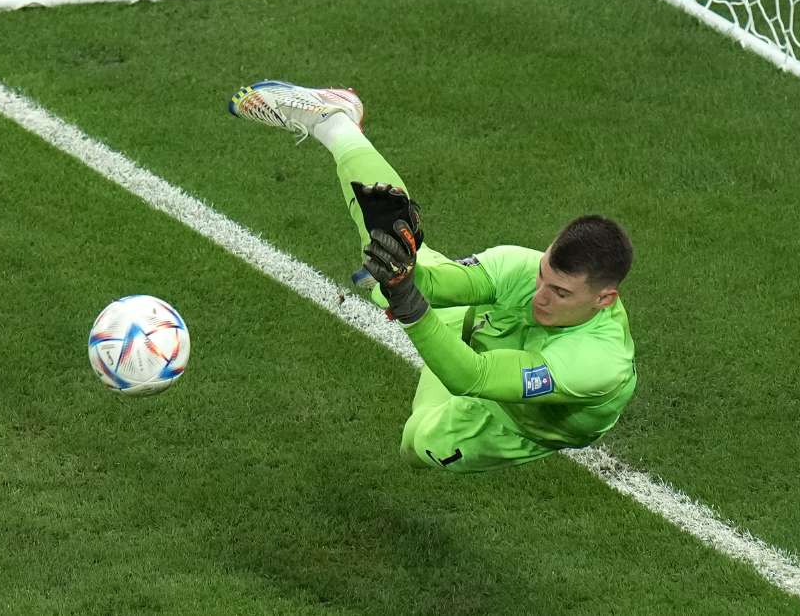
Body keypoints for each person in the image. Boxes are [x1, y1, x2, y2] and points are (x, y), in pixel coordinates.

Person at [229, 80, 637, 473]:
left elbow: (473, 376)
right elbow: (435, 285)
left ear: (604, 299)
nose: (540, 295)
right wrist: (405, 276)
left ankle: (426, 330)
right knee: (397, 254)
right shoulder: (521, 267)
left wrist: (409, 303)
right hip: (488, 331)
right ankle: (335, 123)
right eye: (543, 275)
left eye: (561, 293)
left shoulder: (595, 363)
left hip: (521, 423)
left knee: (418, 442)